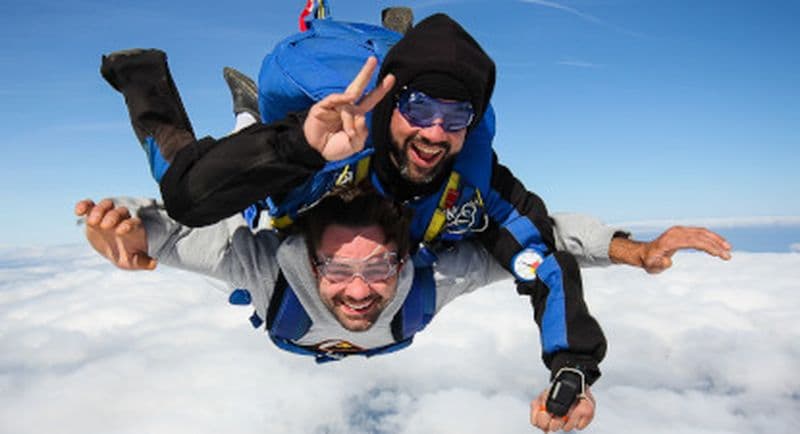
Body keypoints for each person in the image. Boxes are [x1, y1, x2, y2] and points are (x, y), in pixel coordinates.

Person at [98, 12, 731, 433]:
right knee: (214, 189)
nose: (435, 132)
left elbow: (541, 251)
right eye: (421, 108)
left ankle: (334, 72)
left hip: (353, 210)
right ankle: (174, 89)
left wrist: (578, 355)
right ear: (392, 105)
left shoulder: (470, 195)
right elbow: (185, 213)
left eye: (456, 117)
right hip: (310, 174)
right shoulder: (324, 167)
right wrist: (298, 146)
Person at [76, 188, 593, 432]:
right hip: (280, 288)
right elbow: (166, 235)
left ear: (403, 259)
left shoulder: (430, 282)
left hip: (296, 322)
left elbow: (540, 243)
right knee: (246, 203)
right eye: (339, 269)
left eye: (379, 266)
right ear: (310, 261)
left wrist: (627, 250)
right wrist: (117, 230)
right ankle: (249, 121)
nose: (359, 290)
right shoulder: (266, 272)